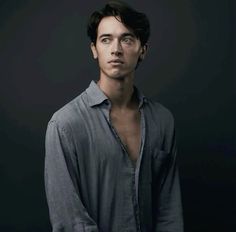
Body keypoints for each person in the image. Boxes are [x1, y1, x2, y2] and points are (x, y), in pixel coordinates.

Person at [44, 0, 184, 231]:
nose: (116, 49)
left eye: (127, 39)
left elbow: (169, 211)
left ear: (143, 50)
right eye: (106, 39)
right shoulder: (65, 125)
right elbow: (70, 221)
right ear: (94, 50)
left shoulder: (162, 121)